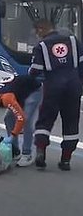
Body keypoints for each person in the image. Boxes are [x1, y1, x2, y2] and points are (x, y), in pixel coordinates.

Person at [29, 19, 83, 171]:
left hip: (53, 87)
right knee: (71, 122)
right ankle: (65, 160)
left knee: (45, 120)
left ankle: (40, 152)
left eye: (37, 32)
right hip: (73, 87)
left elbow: (35, 71)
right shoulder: (73, 40)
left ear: (41, 30)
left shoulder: (41, 46)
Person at [0, 74, 42, 161]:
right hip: (19, 92)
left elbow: (21, 118)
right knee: (8, 118)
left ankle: (27, 154)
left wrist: (12, 135)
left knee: (27, 120)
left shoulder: (6, 98)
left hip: (33, 90)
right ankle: (15, 150)